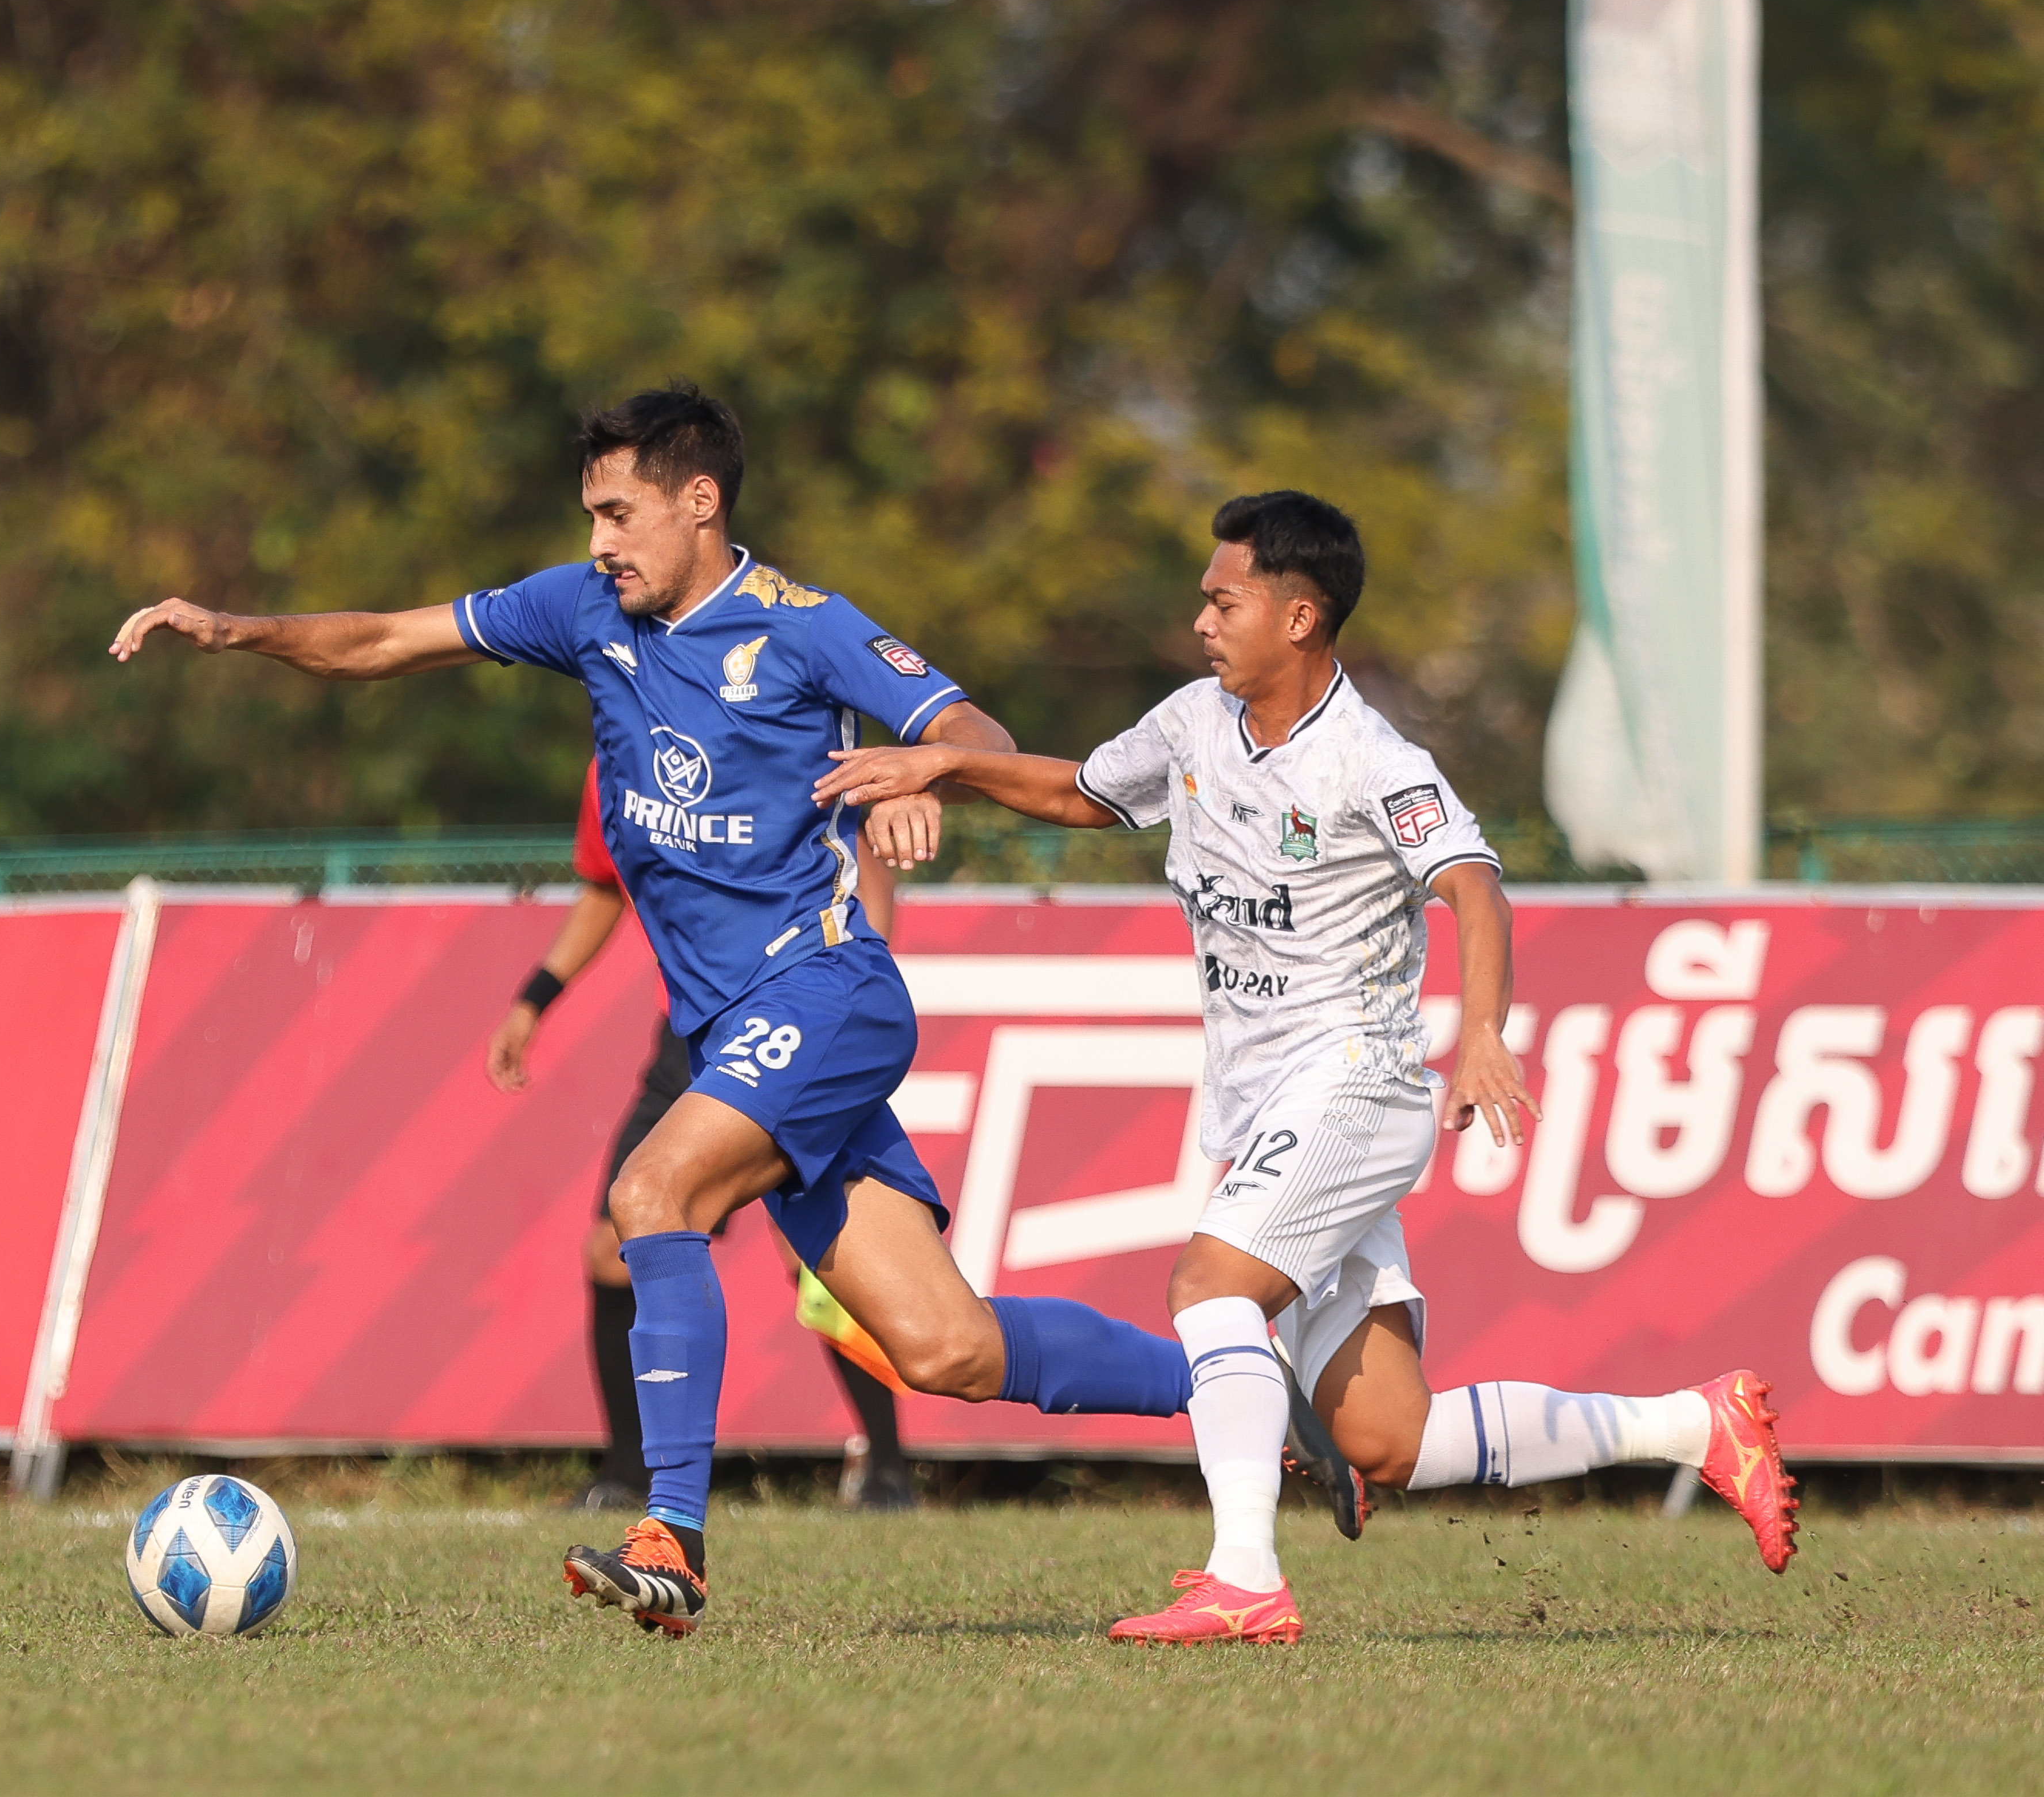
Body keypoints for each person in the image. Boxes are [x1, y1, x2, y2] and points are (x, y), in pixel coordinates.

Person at [108, 383, 1193, 1638]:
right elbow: (387, 643)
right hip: (734, 1026)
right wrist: (234, 630)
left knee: (648, 1195)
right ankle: (1237, 1391)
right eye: (590, 516)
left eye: (618, 514)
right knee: (944, 1348)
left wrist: (929, 768)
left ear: (700, 501)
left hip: (828, 991)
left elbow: (966, 721)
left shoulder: (805, 628)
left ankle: (669, 1532)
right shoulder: (584, 610)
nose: (599, 542)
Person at [816, 489, 1801, 1648]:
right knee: (1390, 1438)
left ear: (1297, 616)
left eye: (1222, 599)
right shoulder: (1194, 722)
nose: (1201, 619)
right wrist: (941, 765)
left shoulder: (1371, 760)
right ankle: (1697, 1425)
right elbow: (1082, 794)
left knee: (1208, 1290)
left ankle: (1244, 1576)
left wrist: (1482, 1032)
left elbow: (1475, 886)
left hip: (1354, 1086)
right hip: (1267, 1103)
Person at [487, 759, 915, 1511]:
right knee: (615, 1248)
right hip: (691, 1036)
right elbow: (605, 885)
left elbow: (865, 874)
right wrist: (536, 997)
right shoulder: (612, 766)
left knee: (819, 1255)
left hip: (798, 1024)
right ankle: (628, 1474)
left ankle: (888, 1470)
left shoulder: (776, 736)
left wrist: (848, 993)